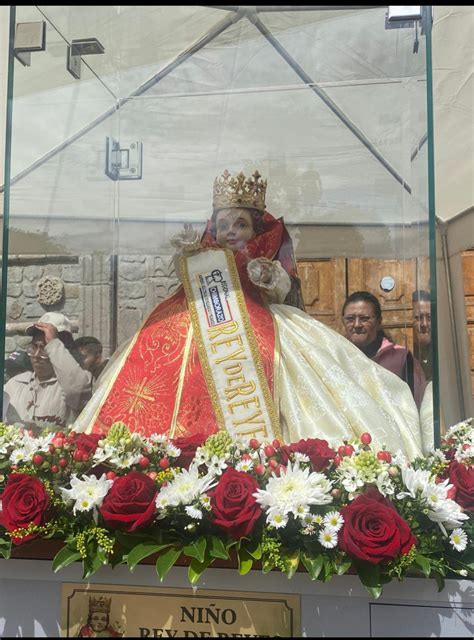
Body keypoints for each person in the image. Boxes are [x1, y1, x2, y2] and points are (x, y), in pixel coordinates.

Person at [73, 170, 424, 458]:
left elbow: (279, 287)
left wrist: (267, 275)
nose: (231, 232)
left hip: (264, 327)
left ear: (255, 231)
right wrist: (183, 250)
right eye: (224, 225)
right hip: (197, 327)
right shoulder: (201, 260)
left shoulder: (260, 261)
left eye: (240, 224)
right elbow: (182, 275)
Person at [3, 312, 92, 428]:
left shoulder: (79, 381)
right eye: (34, 347)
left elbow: (76, 391)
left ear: (64, 350)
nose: (36, 355)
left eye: (45, 348)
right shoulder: (15, 384)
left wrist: (53, 343)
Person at [342, 291, 427, 409]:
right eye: (350, 319)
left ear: (379, 322)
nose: (357, 324)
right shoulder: (337, 357)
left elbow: (416, 404)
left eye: (364, 318)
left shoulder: (401, 358)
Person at [412, 289, 432, 380]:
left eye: (429, 317)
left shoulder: (443, 352)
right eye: (418, 317)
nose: (424, 324)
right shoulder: (403, 354)